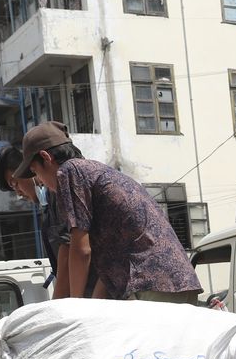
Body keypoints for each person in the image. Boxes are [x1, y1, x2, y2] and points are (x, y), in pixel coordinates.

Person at [15, 121, 202, 303]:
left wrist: (75, 307)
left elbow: (81, 251)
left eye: (35, 171)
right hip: (177, 282)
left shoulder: (70, 172)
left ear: (46, 158)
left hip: (150, 285)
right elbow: (106, 270)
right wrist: (92, 308)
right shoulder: (94, 173)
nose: (40, 181)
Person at [0, 143, 74, 298]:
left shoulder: (59, 194)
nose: (18, 193)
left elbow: (67, 253)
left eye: (15, 183)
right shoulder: (48, 204)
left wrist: (60, 302)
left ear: (30, 170)